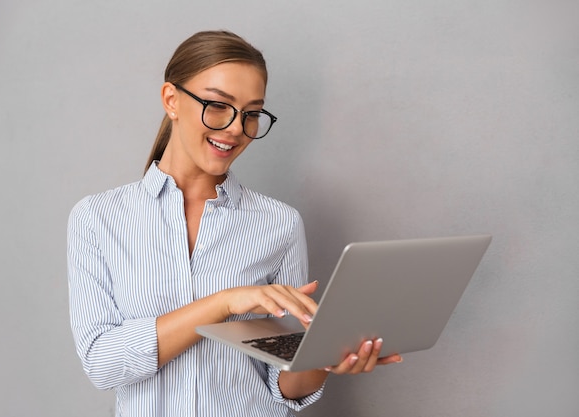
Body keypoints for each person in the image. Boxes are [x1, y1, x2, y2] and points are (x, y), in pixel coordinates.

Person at [67, 30, 402, 417]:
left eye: (251, 114)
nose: (234, 128)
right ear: (171, 100)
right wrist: (225, 302)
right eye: (218, 105)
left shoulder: (280, 224)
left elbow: (283, 382)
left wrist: (324, 360)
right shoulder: (97, 218)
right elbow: (102, 362)